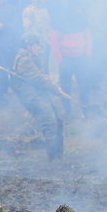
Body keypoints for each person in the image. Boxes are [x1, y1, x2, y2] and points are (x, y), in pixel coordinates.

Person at [12, 33, 66, 161]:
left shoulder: (32, 57)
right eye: (37, 45)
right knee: (49, 123)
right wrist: (55, 88)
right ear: (29, 46)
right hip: (31, 97)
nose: (39, 48)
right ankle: (53, 158)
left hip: (40, 93)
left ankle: (59, 154)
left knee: (58, 118)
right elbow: (38, 77)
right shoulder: (24, 60)